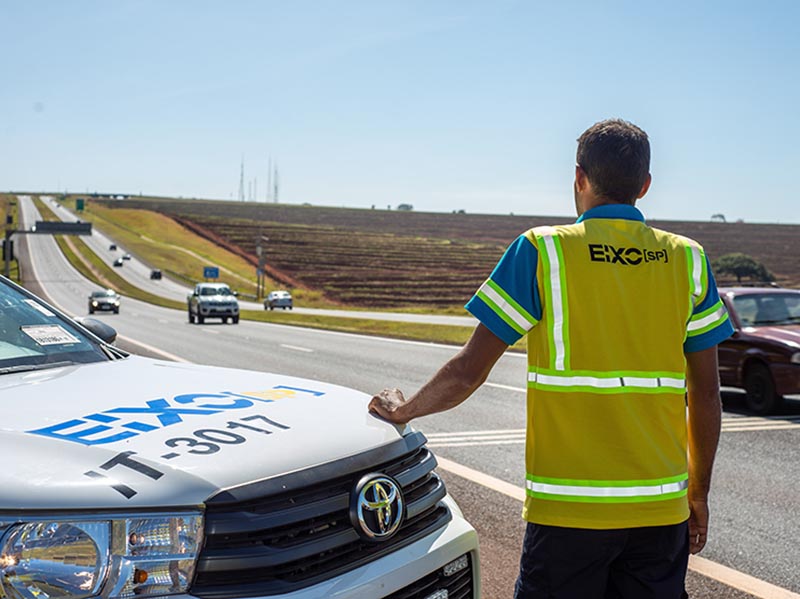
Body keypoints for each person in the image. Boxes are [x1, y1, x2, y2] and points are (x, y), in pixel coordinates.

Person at [369, 118, 734, 598]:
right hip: (660, 513)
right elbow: (706, 393)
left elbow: (467, 371)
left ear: (579, 177)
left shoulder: (541, 250)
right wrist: (698, 494)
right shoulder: (689, 259)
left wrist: (405, 408)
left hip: (568, 514)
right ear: (644, 186)